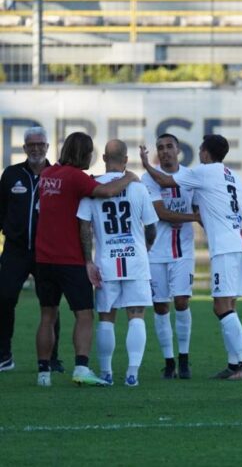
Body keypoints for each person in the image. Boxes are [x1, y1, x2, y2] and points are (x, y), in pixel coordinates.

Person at [140, 134, 242, 380]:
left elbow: (165, 181)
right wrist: (222, 217)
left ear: (204, 153)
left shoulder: (203, 172)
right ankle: (234, 364)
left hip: (224, 248)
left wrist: (145, 164)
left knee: (221, 306)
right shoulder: (234, 177)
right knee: (229, 305)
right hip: (241, 245)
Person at [35, 131, 138, 387]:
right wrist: (128, 178)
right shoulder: (76, 178)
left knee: (47, 315)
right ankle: (81, 367)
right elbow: (105, 191)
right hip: (69, 259)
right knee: (84, 315)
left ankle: (43, 373)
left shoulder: (47, 175)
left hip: (42, 258)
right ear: (84, 153)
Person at [77, 140, 158, 387]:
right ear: (125, 161)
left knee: (106, 316)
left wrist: (88, 259)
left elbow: (84, 228)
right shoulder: (138, 187)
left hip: (106, 261)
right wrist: (146, 247)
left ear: (103, 158)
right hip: (135, 259)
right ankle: (132, 374)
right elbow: (152, 227)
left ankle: (106, 372)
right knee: (136, 315)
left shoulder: (92, 187)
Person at [0, 126, 63, 373]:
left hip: (47, 251)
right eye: (31, 145)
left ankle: (53, 358)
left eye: (40, 144)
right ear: (24, 148)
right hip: (15, 251)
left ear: (47, 147)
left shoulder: (58, 174)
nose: (36, 148)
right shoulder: (11, 174)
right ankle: (4, 355)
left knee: (50, 304)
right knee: (4, 298)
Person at [140, 133, 200, 380]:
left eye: (169, 147)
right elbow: (161, 213)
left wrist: (197, 216)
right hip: (156, 252)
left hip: (183, 251)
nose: (164, 151)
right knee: (161, 306)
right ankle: (168, 361)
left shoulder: (190, 176)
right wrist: (192, 218)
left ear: (178, 150)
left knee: (182, 302)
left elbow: (198, 206)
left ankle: (184, 359)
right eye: (160, 147)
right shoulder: (148, 178)